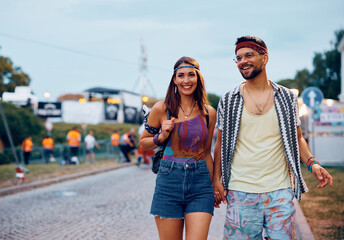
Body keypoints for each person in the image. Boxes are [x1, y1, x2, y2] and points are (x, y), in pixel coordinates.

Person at [213, 35, 334, 240]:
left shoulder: (287, 97)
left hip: (280, 190)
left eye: (248, 55)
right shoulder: (229, 100)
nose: (243, 61)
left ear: (265, 57)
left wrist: (313, 163)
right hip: (240, 190)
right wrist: (216, 179)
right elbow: (220, 145)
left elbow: (297, 138)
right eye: (238, 58)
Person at [140, 56, 217, 240]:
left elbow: (206, 153)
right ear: (174, 79)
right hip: (169, 182)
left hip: (200, 184)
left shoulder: (209, 113)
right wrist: (161, 137)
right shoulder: (161, 109)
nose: (186, 80)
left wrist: (214, 185)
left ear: (198, 78)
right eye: (181, 75)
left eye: (191, 75)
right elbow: (143, 143)